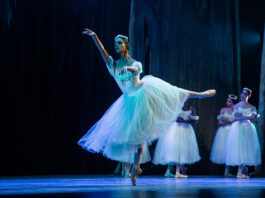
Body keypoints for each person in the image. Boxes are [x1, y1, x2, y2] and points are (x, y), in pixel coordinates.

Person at [78, 28, 216, 185]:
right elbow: (102, 51)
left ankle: (200, 94)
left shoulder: (135, 63)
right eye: (115, 44)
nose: (116, 46)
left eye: (119, 43)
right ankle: (130, 168)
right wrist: (94, 36)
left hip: (143, 95)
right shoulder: (112, 65)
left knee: (173, 93)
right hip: (127, 101)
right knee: (127, 137)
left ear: (126, 45)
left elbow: (137, 69)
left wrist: (129, 68)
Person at [153, 101, 200, 178]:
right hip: (176, 129)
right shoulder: (177, 107)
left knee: (182, 150)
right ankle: (173, 171)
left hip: (186, 130)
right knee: (175, 150)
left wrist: (187, 120)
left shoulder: (191, 109)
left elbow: (195, 121)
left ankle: (174, 171)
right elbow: (174, 119)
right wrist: (186, 119)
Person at [224, 88, 261, 179]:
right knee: (239, 148)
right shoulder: (236, 106)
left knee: (246, 149)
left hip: (248, 128)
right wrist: (248, 117)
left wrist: (253, 117)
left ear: (249, 96)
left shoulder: (252, 107)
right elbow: (236, 118)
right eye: (242, 93)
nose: (243, 95)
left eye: (245, 94)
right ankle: (239, 172)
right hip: (238, 128)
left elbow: (254, 119)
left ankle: (241, 172)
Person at [210, 94, 237, 177]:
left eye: (229, 101)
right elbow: (220, 122)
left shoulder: (236, 110)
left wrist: (226, 120)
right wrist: (229, 121)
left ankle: (228, 171)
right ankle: (226, 171)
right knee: (223, 149)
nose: (227, 102)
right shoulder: (223, 110)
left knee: (231, 150)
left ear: (233, 103)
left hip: (233, 131)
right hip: (223, 131)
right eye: (227, 101)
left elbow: (236, 121)